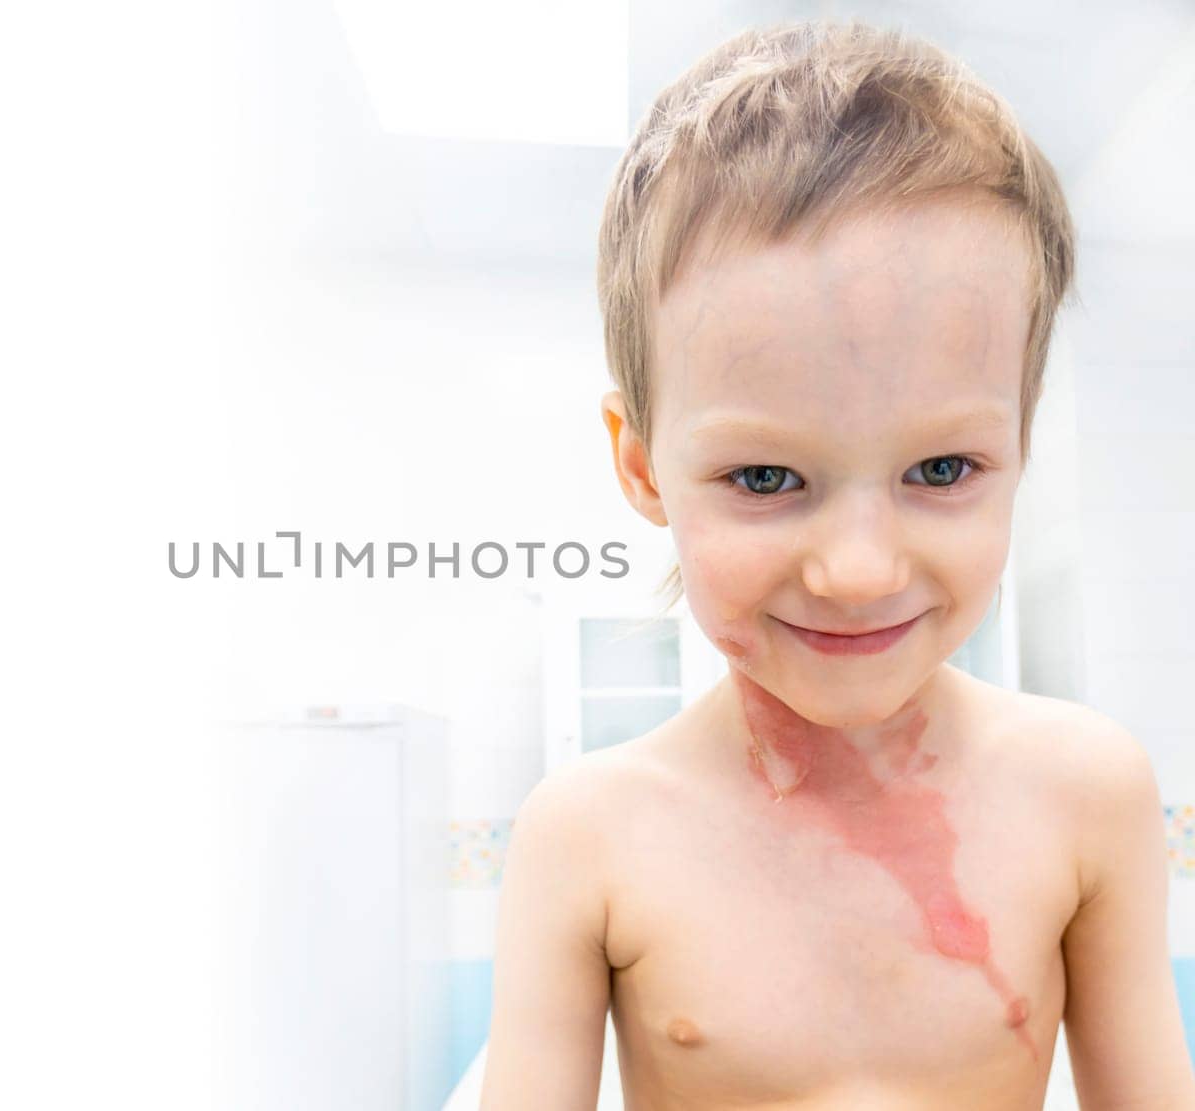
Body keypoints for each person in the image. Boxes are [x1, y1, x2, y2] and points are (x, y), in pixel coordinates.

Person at [480, 18, 1195, 1110]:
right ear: (641, 465)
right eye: (766, 478)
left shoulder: (1084, 793)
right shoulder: (590, 835)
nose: (858, 570)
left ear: (1021, 441)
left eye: (943, 466)